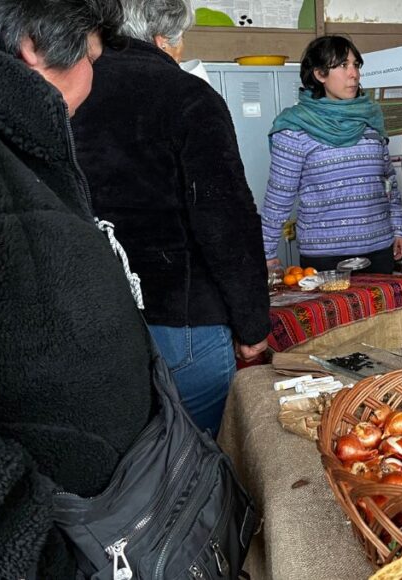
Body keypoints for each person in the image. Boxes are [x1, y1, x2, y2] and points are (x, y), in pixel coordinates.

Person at [0, 0, 156, 576]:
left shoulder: (1, 123)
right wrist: (27, 551)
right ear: (37, 44)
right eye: (92, 56)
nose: (94, 76)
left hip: (96, 524)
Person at [72, 0, 270, 436]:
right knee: (198, 461)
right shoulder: (187, 95)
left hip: (97, 315)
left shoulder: (71, 88)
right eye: (180, 44)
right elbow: (226, 220)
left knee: (133, 460)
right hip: (183, 320)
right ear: (164, 40)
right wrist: (253, 323)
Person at [261, 35, 402, 275]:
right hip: (325, 257)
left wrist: (399, 228)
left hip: (379, 250)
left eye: (356, 65)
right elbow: (278, 199)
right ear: (320, 74)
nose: (353, 74)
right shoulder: (294, 129)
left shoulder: (370, 121)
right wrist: (266, 253)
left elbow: (388, 181)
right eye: (342, 65)